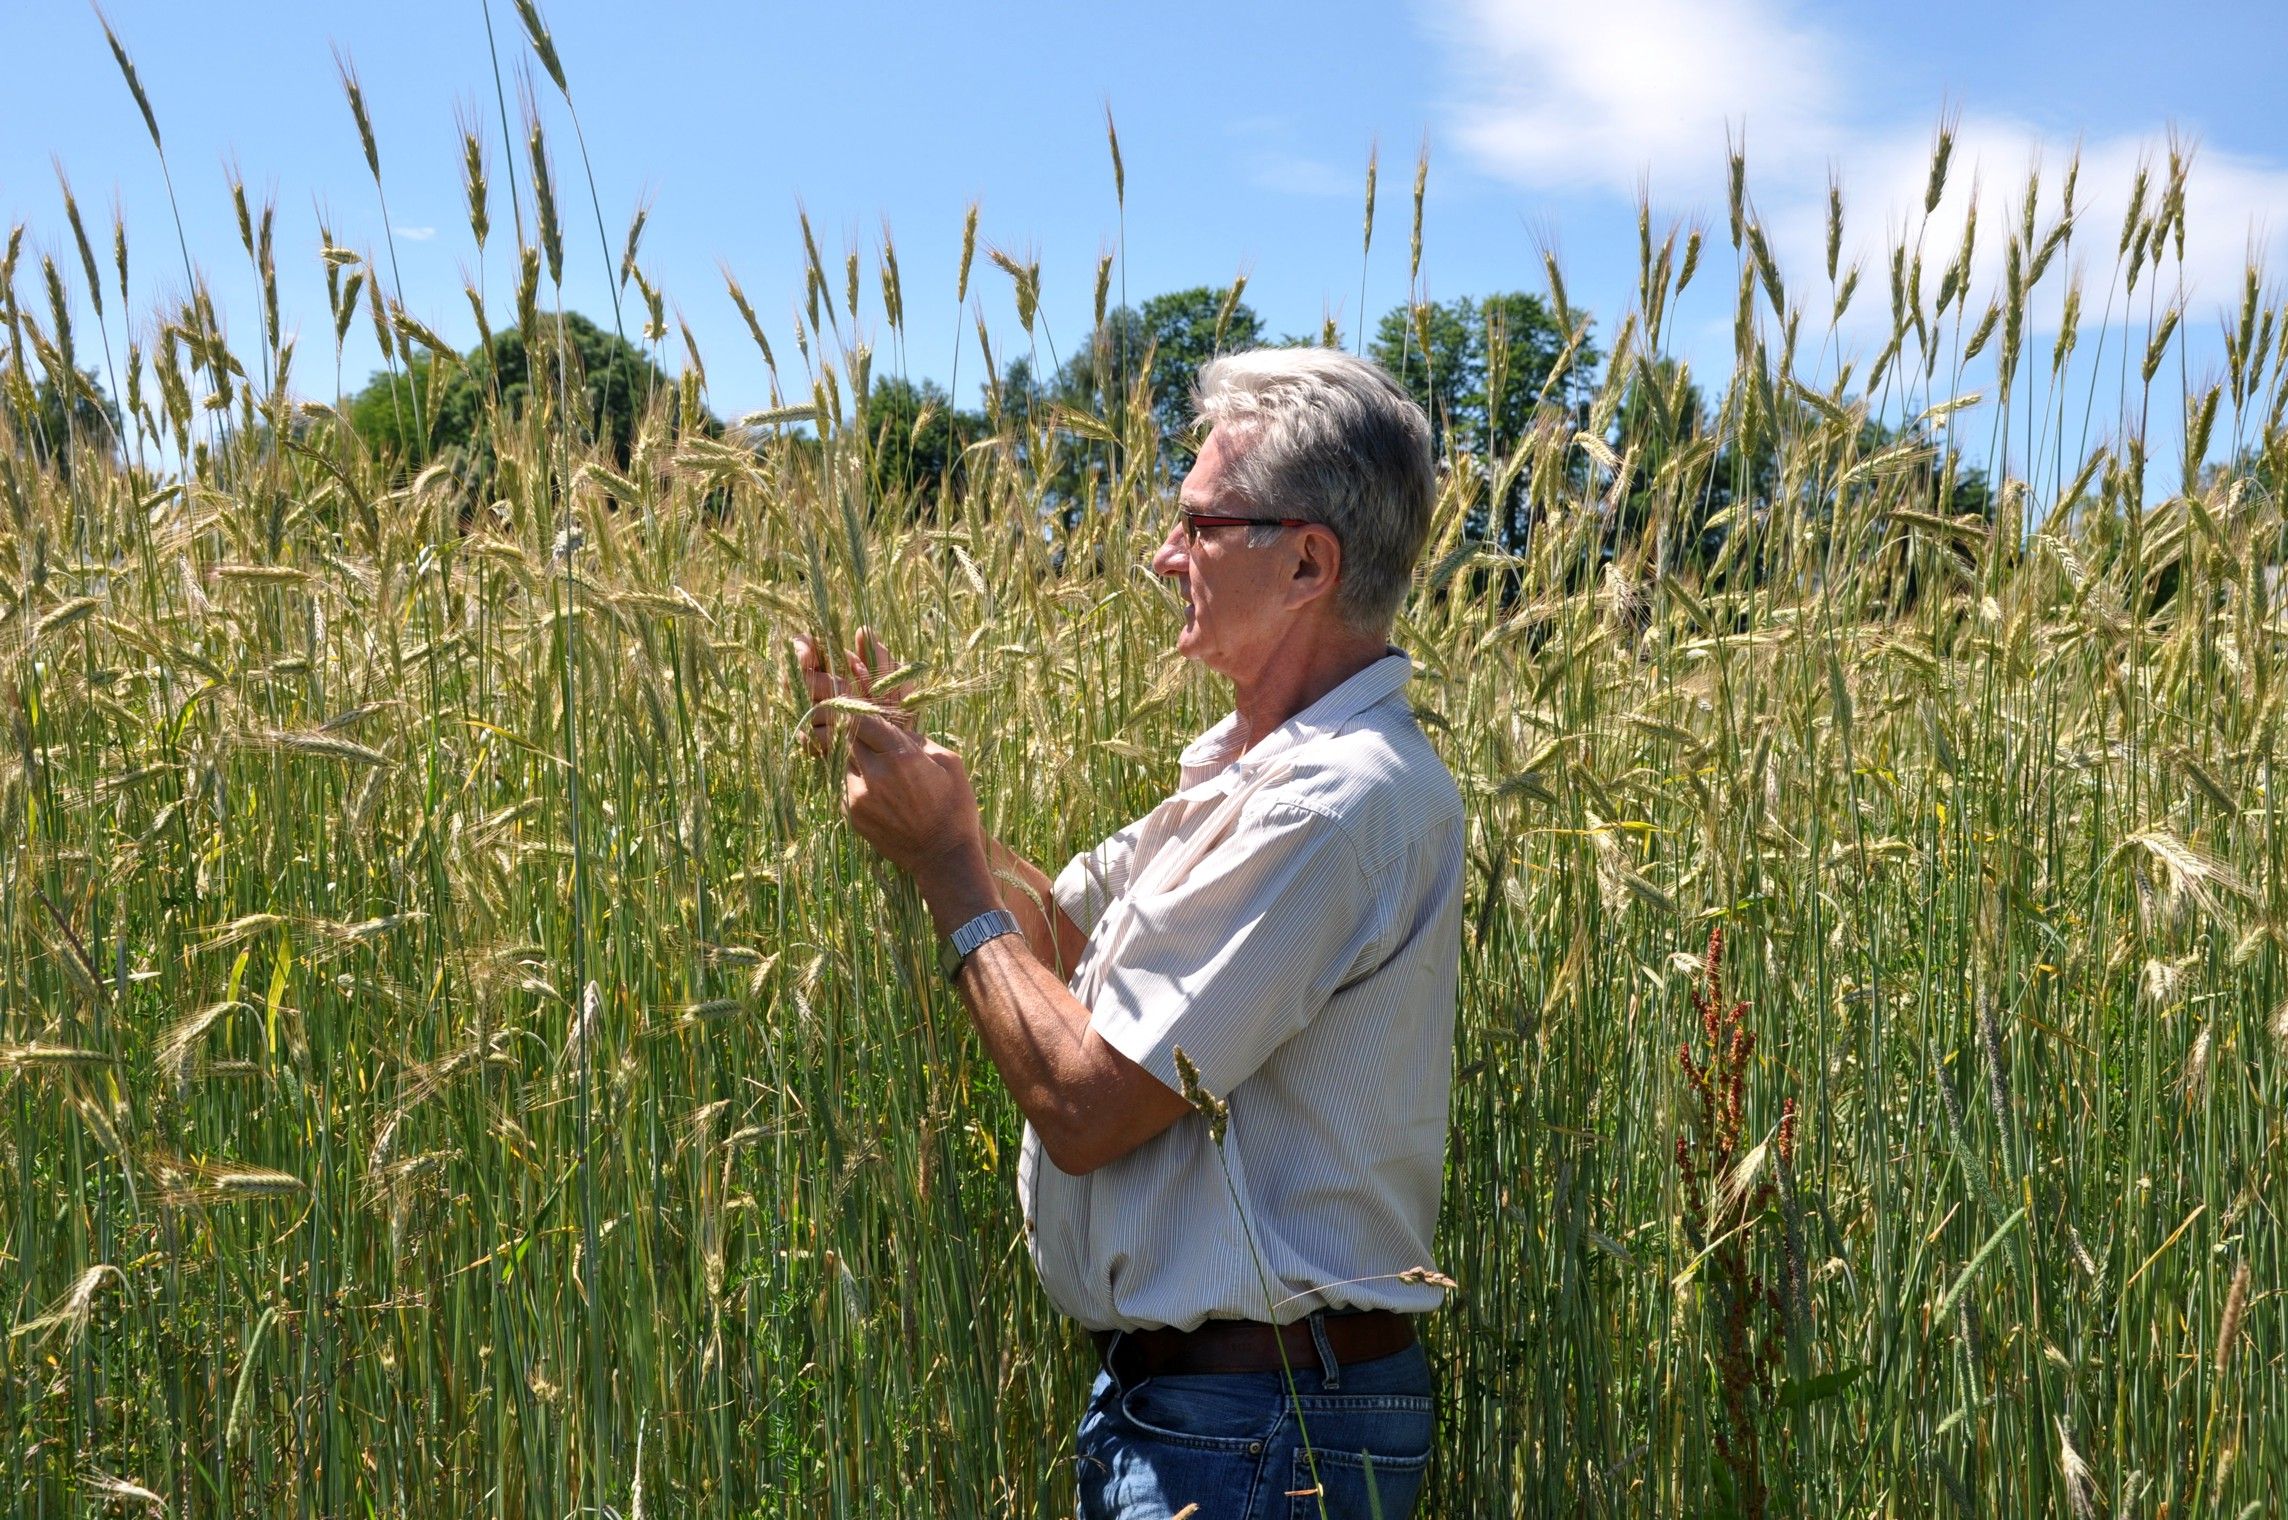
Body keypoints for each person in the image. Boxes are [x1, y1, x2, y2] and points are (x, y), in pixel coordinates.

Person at [796, 347, 1464, 1519]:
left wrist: (948, 861)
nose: (1164, 555)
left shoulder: (1327, 802)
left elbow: (1087, 1104)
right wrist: (919, 799)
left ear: (1307, 559)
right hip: (1216, 1420)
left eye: (1198, 523)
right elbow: (1050, 947)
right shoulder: (1254, 780)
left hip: (1262, 1433)